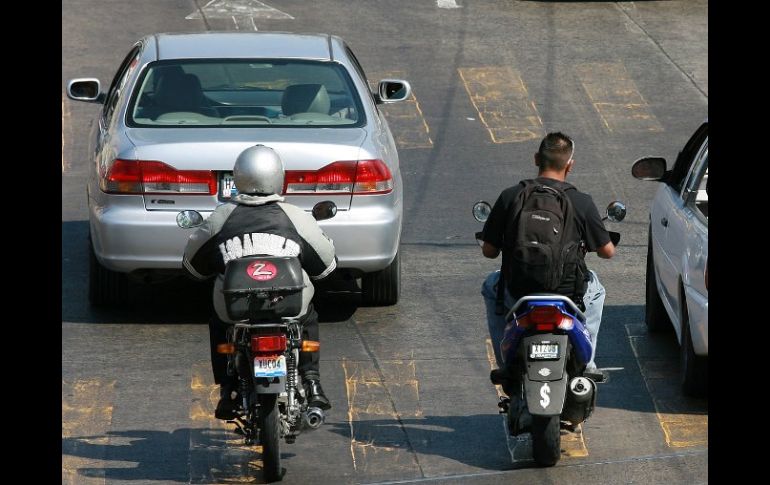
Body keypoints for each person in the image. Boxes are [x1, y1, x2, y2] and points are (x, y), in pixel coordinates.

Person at [183, 145, 337, 419]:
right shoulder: (295, 217)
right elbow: (325, 266)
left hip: (236, 309)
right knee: (309, 315)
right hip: (288, 306)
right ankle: (312, 382)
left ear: (238, 176)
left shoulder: (221, 217)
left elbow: (193, 266)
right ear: (278, 176)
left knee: (219, 323)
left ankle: (229, 389)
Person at [479, 132, 615, 383]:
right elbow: (607, 252)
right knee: (596, 289)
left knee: (490, 286)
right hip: (568, 293)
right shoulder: (580, 201)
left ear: (536, 159)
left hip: (518, 290)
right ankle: (588, 362)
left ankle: (505, 361)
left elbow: (489, 251)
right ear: (569, 165)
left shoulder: (511, 196)